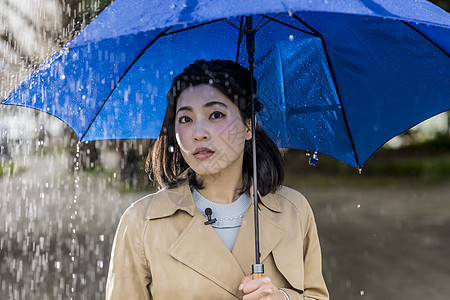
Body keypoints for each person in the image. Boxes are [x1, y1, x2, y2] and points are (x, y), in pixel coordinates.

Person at [106, 59, 329, 300]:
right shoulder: (141, 222)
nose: (199, 133)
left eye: (216, 114)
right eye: (185, 119)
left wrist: (284, 299)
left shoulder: (294, 210)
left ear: (248, 126)